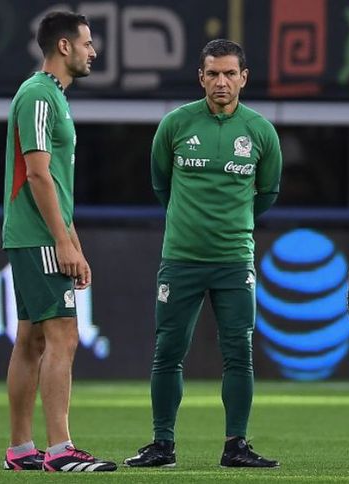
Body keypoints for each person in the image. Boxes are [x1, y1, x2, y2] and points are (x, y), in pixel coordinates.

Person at [123, 39, 283, 469]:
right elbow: (161, 184)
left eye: (230, 74)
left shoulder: (261, 132)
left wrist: (234, 223)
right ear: (201, 77)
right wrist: (189, 222)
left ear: (244, 78)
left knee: (239, 353)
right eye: (213, 74)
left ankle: (236, 446)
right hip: (181, 258)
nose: (221, 82)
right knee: (168, 351)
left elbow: (267, 193)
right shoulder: (175, 125)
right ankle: (162, 445)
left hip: (234, 260)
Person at [1, 11, 116, 472]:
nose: (93, 52)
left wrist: (74, 242)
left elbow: (56, 185)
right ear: (64, 46)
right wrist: (61, 244)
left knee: (30, 339)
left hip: (36, 235)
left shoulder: (51, 97)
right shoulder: (39, 95)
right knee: (63, 336)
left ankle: (20, 449)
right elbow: (37, 175)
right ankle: (61, 449)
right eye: (87, 43)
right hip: (38, 236)